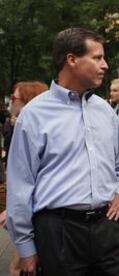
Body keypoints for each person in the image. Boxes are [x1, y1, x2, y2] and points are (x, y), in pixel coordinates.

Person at [6, 28, 119, 275]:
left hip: (106, 228)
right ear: (71, 59)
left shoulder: (105, 111)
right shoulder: (34, 115)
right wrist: (26, 248)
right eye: (97, 58)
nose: (105, 65)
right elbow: (21, 184)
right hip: (58, 233)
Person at [1, 81, 48, 276]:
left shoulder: (35, 131)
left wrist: (12, 211)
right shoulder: (16, 125)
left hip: (38, 215)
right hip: (28, 213)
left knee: (19, 267)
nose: (11, 102)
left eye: (14, 98)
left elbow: (32, 177)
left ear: (27, 101)